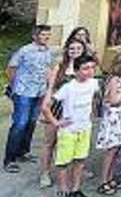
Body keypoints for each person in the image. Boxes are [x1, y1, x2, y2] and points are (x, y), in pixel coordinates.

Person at [42, 54, 100, 197]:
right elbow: (45, 107)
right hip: (69, 130)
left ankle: (76, 189)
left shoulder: (94, 83)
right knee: (63, 162)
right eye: (85, 68)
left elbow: (94, 99)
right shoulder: (68, 88)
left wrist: (91, 115)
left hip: (84, 129)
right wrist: (56, 122)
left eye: (92, 68)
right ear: (76, 71)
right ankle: (63, 189)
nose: (90, 71)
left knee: (80, 161)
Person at [3, 24, 53, 173]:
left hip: (39, 93)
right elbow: (10, 68)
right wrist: (14, 88)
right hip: (23, 93)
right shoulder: (25, 51)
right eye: (43, 35)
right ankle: (9, 159)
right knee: (20, 124)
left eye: (48, 35)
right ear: (35, 36)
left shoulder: (47, 51)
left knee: (31, 123)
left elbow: (47, 70)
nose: (46, 37)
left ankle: (23, 152)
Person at [96, 52, 121, 195]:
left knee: (117, 150)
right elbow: (112, 100)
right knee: (111, 151)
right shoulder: (114, 80)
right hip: (114, 117)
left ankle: (111, 177)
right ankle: (103, 181)